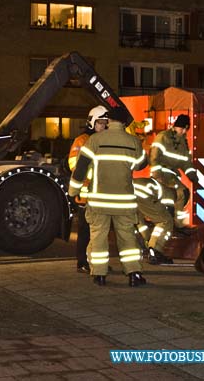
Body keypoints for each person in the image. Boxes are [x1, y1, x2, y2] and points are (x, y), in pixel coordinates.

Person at [68, 111, 147, 287]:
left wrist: (73, 191)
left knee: (98, 237)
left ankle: (99, 275)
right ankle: (134, 273)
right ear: (125, 123)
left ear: (109, 121)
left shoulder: (95, 140)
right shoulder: (133, 142)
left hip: (99, 201)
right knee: (127, 238)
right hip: (124, 201)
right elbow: (142, 164)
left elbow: (80, 168)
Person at [68, 106, 110, 274]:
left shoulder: (106, 140)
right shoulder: (81, 140)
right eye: (100, 123)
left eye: (106, 123)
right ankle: (82, 261)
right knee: (85, 232)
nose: (103, 126)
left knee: (101, 233)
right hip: (85, 195)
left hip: (102, 194)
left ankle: (97, 262)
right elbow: (73, 165)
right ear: (92, 122)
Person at [150, 114, 199, 229]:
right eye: (181, 128)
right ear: (175, 126)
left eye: (185, 129)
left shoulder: (183, 143)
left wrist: (192, 175)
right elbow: (154, 156)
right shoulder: (163, 137)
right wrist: (157, 175)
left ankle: (177, 224)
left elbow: (186, 162)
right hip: (162, 172)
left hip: (172, 174)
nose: (182, 131)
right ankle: (168, 224)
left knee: (183, 193)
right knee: (173, 196)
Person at [133, 177, 175, 264]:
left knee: (138, 220)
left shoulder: (160, 187)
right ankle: (155, 251)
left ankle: (146, 241)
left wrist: (148, 238)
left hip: (128, 192)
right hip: (143, 193)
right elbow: (169, 213)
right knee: (165, 221)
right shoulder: (170, 194)